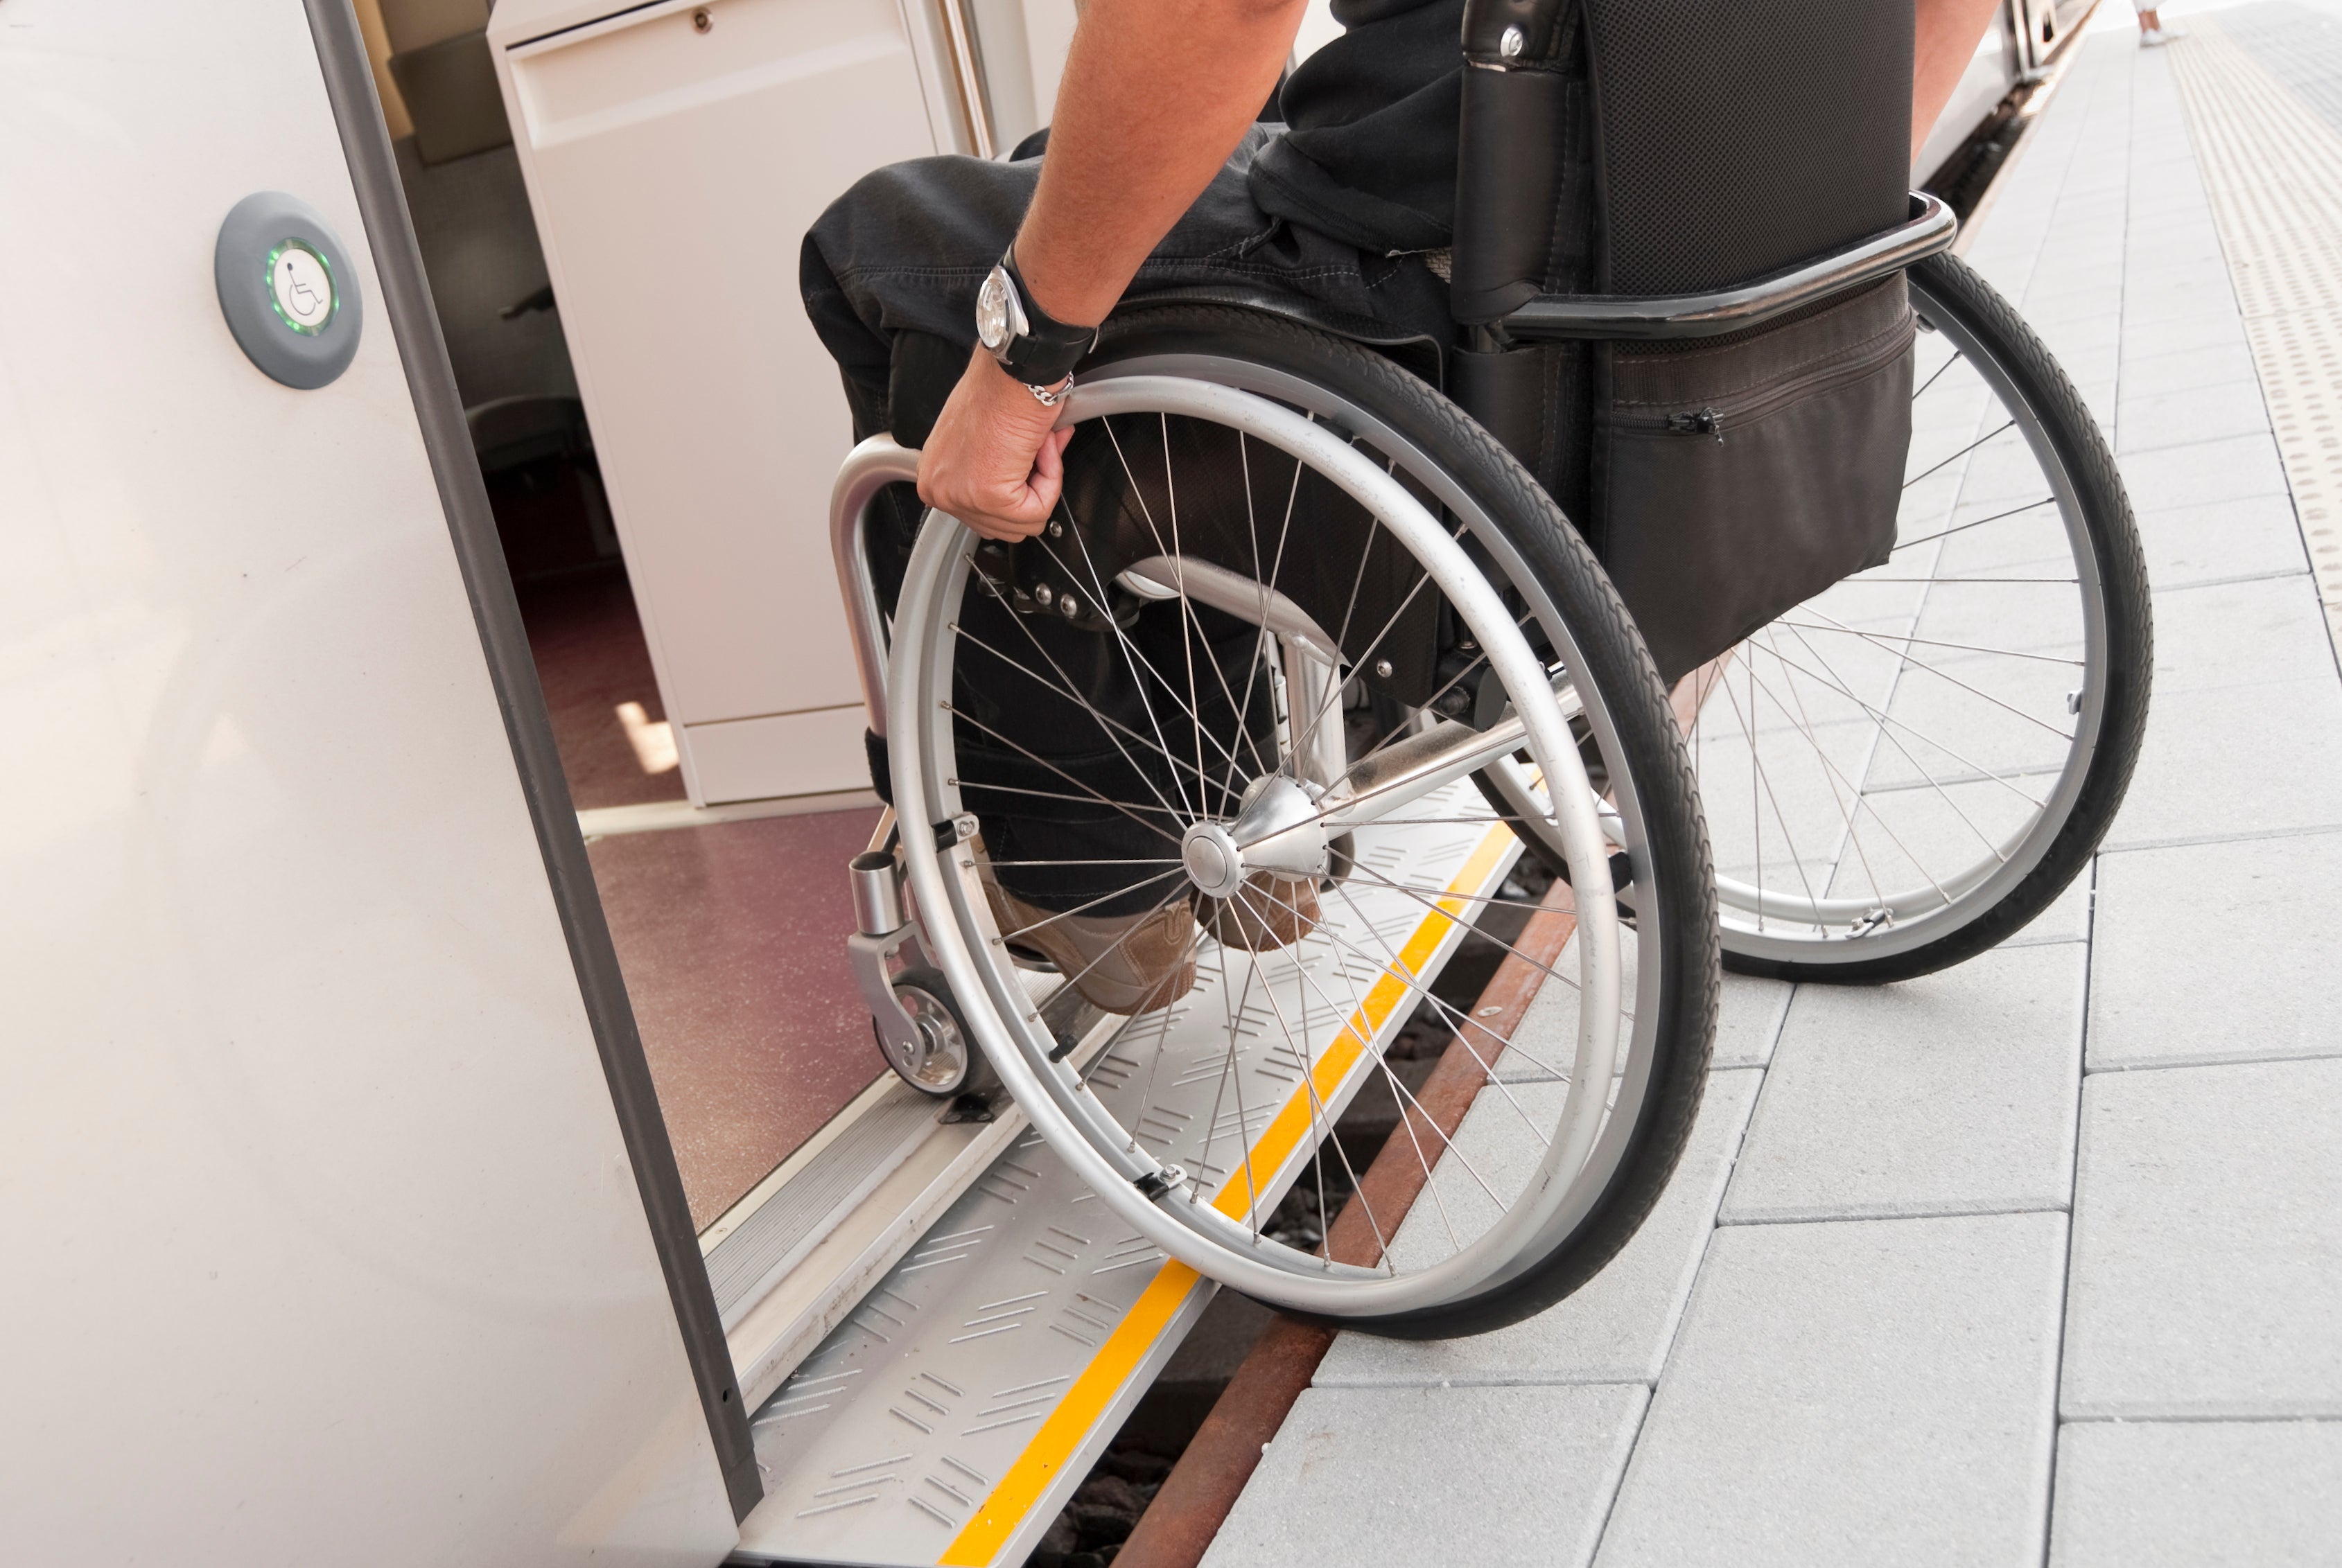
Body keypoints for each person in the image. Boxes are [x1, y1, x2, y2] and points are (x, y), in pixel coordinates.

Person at [800, 0, 2008, 1011]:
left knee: (882, 249)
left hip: (1454, 281)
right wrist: (1786, 251)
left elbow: (1218, 11)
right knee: (1054, 162)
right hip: (1655, 273)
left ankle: (1099, 877)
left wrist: (1022, 368)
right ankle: (1213, 797)